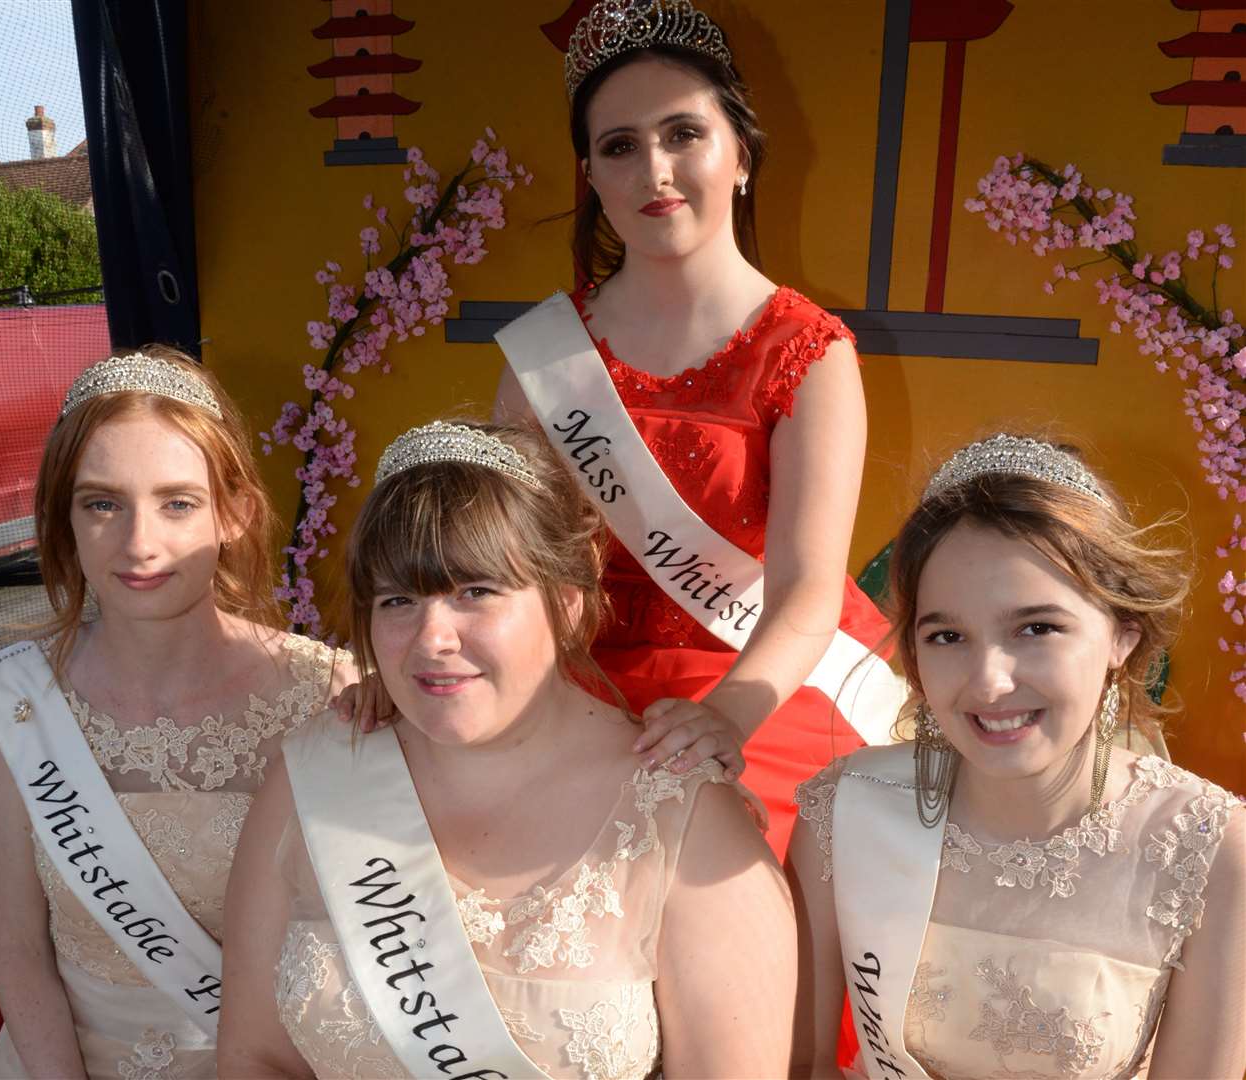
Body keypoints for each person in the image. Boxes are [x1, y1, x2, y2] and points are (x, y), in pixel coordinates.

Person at [218, 419, 795, 1080]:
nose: (432, 638)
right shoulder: (314, 775)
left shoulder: (684, 815)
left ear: (568, 605)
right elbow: (255, 1057)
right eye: (399, 599)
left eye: (475, 593)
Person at [485, 0, 905, 862]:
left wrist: (727, 719)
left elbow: (803, 595)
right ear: (591, 176)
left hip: (762, 678)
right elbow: (501, 562)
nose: (655, 170)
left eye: (683, 134)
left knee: (730, 852)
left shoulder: (807, 353)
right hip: (576, 684)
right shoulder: (542, 359)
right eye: (620, 146)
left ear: (740, 156)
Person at [788, 433, 1246, 1079]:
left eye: (1035, 628)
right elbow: (796, 1066)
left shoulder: (1206, 845)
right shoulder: (844, 812)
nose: (987, 681)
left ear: (1122, 633)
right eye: (947, 635)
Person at [0, 348, 351, 1079]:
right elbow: (18, 946)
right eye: (102, 503)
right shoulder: (18, 705)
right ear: (63, 518)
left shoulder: (325, 691)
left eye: (177, 502)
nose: (139, 544)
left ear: (234, 512)